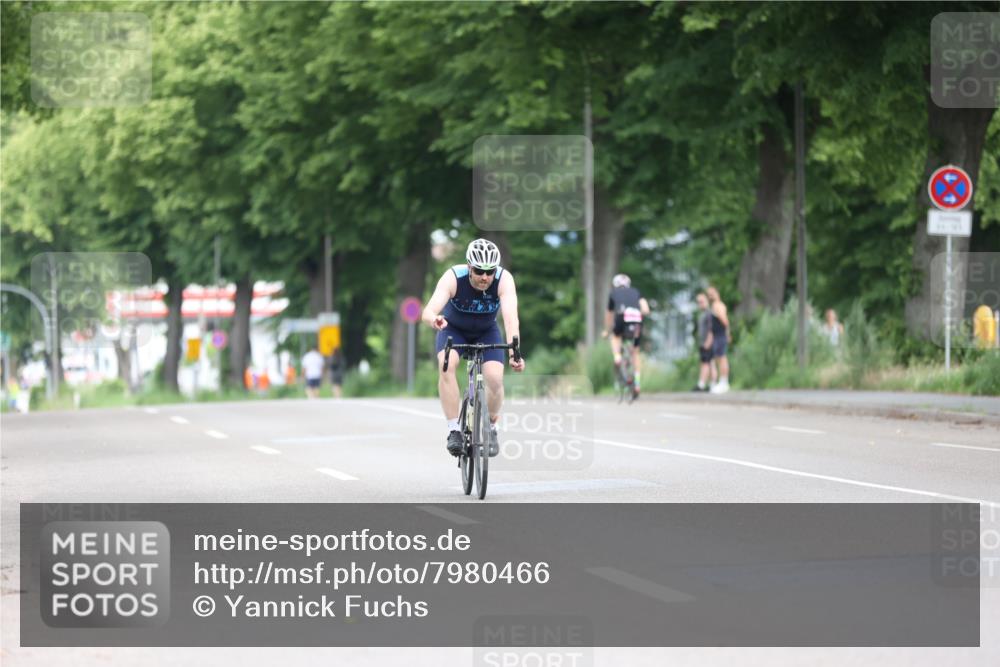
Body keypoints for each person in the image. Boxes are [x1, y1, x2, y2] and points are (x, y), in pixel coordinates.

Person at [422, 238, 525, 458]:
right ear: (469, 267)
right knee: (446, 365)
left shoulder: (504, 280)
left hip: (486, 331)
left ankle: (491, 426)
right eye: (479, 271)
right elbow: (428, 311)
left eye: (490, 271)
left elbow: (510, 319)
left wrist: (514, 352)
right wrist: (435, 320)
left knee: (495, 379)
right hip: (453, 329)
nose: (485, 277)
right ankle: (453, 431)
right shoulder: (453, 277)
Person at [603, 273, 650, 399]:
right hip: (636, 319)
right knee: (635, 352)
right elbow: (646, 309)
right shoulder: (636, 292)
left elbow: (608, 315)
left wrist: (607, 331)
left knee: (615, 336)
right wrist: (636, 313)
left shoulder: (613, 293)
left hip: (621, 317)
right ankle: (637, 384)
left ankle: (618, 357)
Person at [706, 286, 731, 393]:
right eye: (709, 294)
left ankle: (724, 382)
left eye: (712, 293)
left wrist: (727, 334)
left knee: (722, 358)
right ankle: (721, 382)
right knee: (718, 358)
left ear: (717, 293)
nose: (710, 296)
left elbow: (725, 321)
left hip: (720, 335)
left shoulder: (718, 306)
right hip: (717, 336)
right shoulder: (714, 306)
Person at [692, 292, 716, 392]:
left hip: (708, 342)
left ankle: (701, 384)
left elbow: (712, 329)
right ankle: (711, 384)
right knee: (709, 363)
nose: (700, 304)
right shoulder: (702, 314)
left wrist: (708, 342)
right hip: (703, 342)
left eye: (701, 302)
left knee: (706, 363)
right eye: (698, 302)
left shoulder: (709, 313)